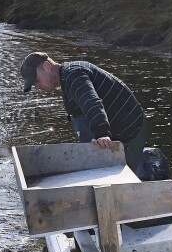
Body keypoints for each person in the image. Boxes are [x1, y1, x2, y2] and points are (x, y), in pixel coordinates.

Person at [20, 52, 148, 172]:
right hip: (115, 130)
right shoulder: (66, 78)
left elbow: (91, 101)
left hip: (131, 130)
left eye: (36, 80)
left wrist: (101, 133)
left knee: (122, 183)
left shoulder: (73, 76)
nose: (37, 87)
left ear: (47, 66)